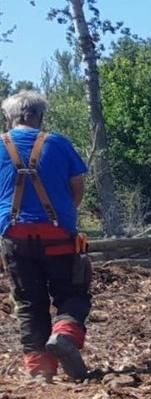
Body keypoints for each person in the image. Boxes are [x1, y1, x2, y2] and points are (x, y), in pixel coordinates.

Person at [0, 90, 91, 382]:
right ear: (40, 116)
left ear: (9, 118)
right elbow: (77, 187)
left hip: (14, 238)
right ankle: (64, 333)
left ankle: (40, 370)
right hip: (58, 237)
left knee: (28, 302)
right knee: (73, 292)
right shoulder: (58, 144)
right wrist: (62, 216)